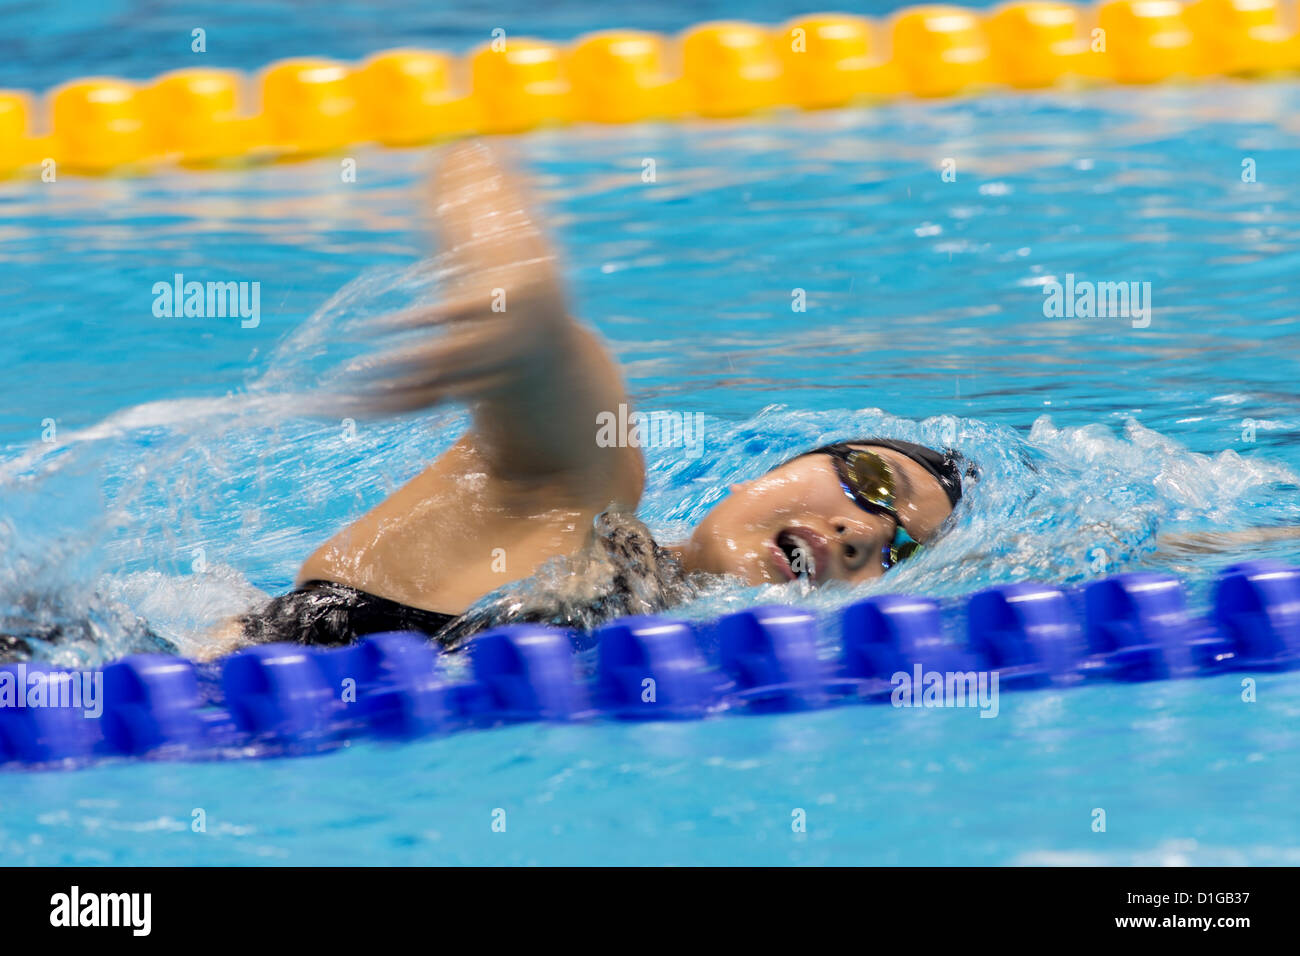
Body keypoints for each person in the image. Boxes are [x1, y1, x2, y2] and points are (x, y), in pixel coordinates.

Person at [210, 142, 968, 656]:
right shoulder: (579, 501)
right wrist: (510, 282)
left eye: (898, 552)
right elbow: (472, 168)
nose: (862, 530)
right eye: (871, 483)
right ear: (766, 470)